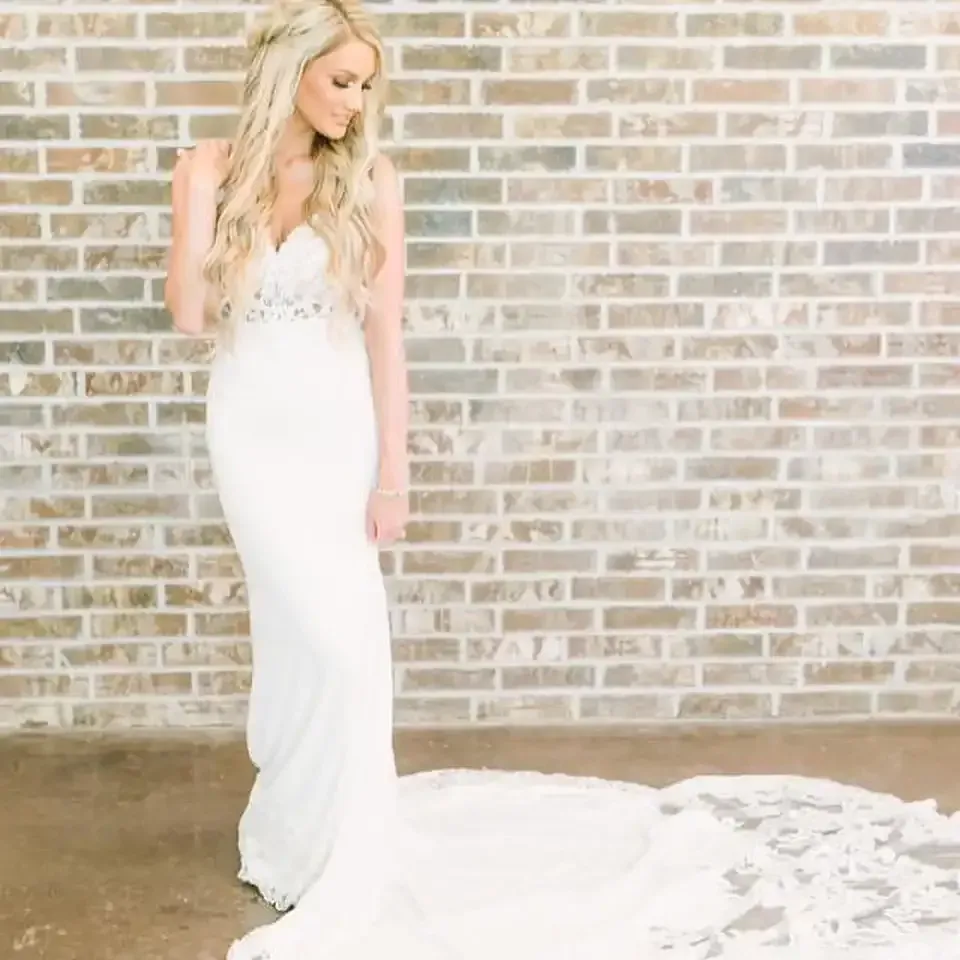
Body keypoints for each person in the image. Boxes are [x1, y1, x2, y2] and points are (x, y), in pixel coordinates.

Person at [164, 2, 960, 958]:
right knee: (296, 639)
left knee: (348, 644)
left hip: (336, 436)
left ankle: (344, 843)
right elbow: (190, 318)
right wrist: (214, 203)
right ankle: (291, 831)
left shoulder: (370, 181)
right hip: (251, 436)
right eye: (342, 80)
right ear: (291, 71)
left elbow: (386, 338)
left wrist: (393, 476)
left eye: (367, 84)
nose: (356, 101)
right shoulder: (209, 170)